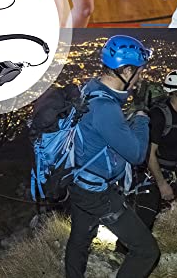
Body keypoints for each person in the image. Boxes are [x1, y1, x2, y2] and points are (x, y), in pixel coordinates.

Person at [65, 35, 160, 278]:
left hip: (77, 181)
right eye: (138, 72)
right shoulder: (105, 108)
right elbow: (137, 155)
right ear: (127, 70)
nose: (140, 77)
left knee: (79, 239)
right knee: (146, 251)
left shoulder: (90, 88)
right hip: (96, 193)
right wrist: (141, 117)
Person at [135, 70, 177, 229]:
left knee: (160, 220)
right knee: (144, 219)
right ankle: (123, 252)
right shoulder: (159, 116)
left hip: (173, 173)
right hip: (153, 175)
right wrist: (162, 184)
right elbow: (150, 154)